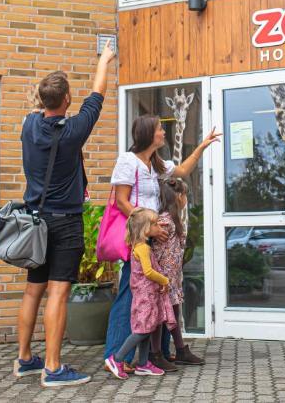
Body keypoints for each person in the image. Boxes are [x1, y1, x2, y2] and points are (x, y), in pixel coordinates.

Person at [13, 41, 115, 388]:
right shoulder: (73, 132)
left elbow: (43, 106)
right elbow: (98, 93)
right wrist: (104, 58)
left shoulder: (28, 125)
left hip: (34, 222)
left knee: (33, 291)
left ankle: (25, 359)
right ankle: (53, 368)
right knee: (58, 293)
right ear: (67, 100)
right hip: (65, 222)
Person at [103, 114, 221, 369]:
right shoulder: (128, 161)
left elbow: (182, 171)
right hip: (137, 240)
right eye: (159, 129)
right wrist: (148, 228)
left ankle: (158, 354)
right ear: (148, 134)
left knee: (158, 293)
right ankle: (114, 355)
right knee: (129, 296)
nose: (163, 132)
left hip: (155, 237)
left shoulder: (156, 163)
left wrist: (202, 146)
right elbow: (122, 201)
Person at [104, 208, 176, 379]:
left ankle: (143, 364)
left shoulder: (141, 246)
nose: (159, 226)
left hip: (148, 294)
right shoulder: (143, 248)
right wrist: (165, 280)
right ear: (145, 228)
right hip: (145, 296)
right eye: (155, 224)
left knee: (148, 328)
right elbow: (148, 272)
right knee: (142, 331)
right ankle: (117, 358)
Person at [149, 178, 203, 368]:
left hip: (172, 278)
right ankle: (155, 354)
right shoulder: (164, 221)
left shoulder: (174, 219)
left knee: (173, 311)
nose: (186, 198)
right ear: (178, 197)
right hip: (162, 279)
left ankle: (180, 350)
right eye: (185, 194)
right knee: (159, 316)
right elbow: (151, 242)